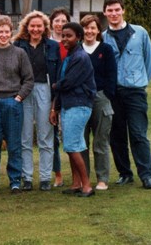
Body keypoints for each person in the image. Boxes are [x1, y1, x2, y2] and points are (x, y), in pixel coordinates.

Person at [102, 0, 151, 189]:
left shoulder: (139, 32)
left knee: (138, 134)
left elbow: (150, 60)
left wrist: (141, 82)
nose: (114, 13)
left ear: (123, 10)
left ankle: (147, 175)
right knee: (116, 135)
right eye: (110, 10)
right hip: (113, 93)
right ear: (105, 13)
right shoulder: (103, 37)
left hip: (135, 92)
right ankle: (125, 173)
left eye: (117, 9)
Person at [0, 16, 34, 194]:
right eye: (0, 31)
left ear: (10, 32)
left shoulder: (19, 53)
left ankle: (14, 181)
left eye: (6, 31)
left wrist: (19, 98)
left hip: (13, 102)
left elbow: (28, 79)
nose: (3, 35)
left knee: (14, 145)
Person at [13, 10, 60, 191]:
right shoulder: (18, 45)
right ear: (27, 26)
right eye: (32, 25)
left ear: (44, 27)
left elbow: (56, 73)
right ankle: (27, 178)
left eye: (39, 26)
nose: (35, 29)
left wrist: (55, 103)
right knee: (24, 137)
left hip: (45, 90)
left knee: (45, 136)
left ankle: (45, 178)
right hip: (24, 90)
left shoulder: (52, 46)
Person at [50, 22, 96, 197]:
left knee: (72, 145)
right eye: (63, 36)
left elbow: (68, 83)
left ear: (78, 37)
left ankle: (87, 186)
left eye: (69, 36)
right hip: (70, 105)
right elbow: (64, 86)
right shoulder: (69, 56)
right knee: (74, 145)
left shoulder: (80, 58)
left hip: (79, 105)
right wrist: (56, 107)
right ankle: (76, 184)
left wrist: (55, 85)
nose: (64, 39)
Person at [80, 14, 117, 191]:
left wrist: (107, 95)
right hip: (79, 99)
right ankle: (83, 178)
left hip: (101, 98)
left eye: (93, 27)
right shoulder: (76, 49)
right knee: (82, 142)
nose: (89, 31)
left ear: (98, 30)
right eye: (86, 28)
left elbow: (112, 75)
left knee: (100, 141)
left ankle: (102, 178)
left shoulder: (106, 49)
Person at [48, 7, 71, 187]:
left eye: (63, 21)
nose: (60, 24)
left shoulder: (71, 44)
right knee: (53, 136)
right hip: (53, 94)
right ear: (51, 23)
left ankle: (79, 172)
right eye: (57, 21)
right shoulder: (48, 45)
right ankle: (58, 174)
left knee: (70, 135)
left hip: (70, 93)